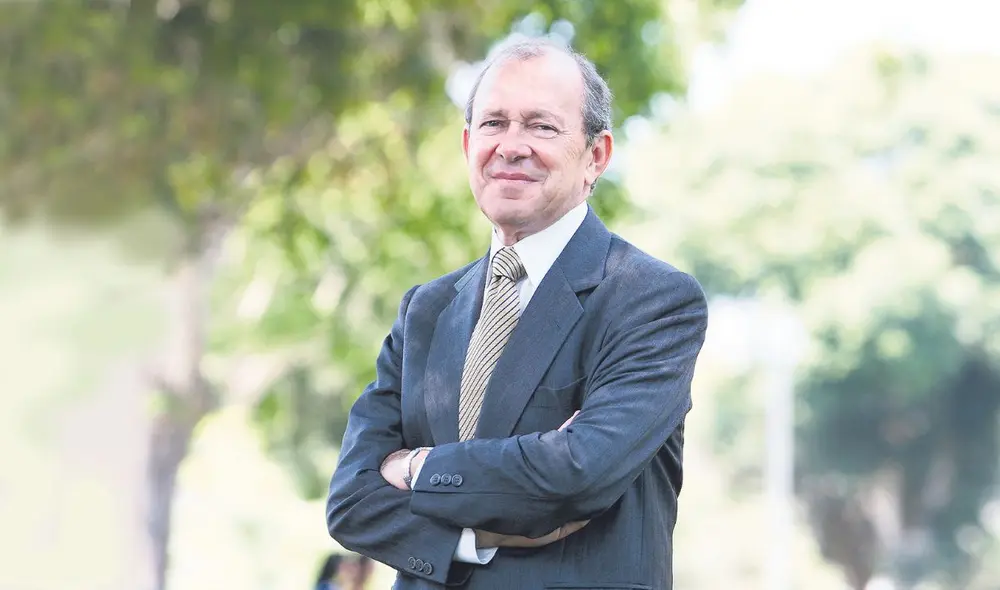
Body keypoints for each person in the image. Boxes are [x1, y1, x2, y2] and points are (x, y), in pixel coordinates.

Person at [326, 36, 709, 589]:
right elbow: (351, 500)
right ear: (466, 146)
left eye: (541, 126)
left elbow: (578, 473)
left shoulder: (650, 300)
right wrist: (472, 540)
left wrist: (415, 468)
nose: (511, 146)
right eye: (493, 123)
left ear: (595, 156)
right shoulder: (425, 312)